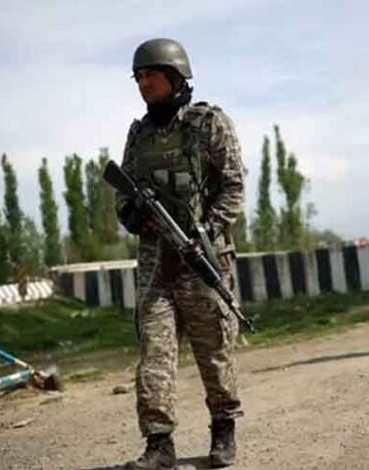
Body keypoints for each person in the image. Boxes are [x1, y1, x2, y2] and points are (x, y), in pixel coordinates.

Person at [115, 38, 245, 469]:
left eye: (150, 74)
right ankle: (159, 444)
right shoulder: (139, 135)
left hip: (203, 258)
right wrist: (134, 214)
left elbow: (233, 187)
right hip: (156, 264)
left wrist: (205, 232)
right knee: (154, 353)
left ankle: (223, 429)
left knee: (214, 349)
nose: (143, 83)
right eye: (138, 77)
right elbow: (123, 193)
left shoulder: (209, 124)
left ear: (175, 77)